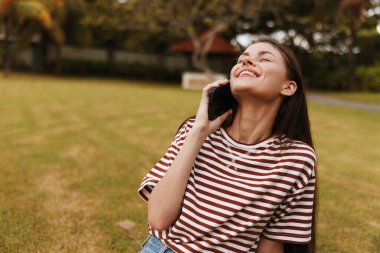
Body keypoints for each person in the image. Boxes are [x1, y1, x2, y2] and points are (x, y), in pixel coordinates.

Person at [137, 37, 317, 253]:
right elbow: (158, 219)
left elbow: (274, 239)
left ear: (288, 87)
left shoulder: (297, 159)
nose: (246, 63)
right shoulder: (194, 131)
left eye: (264, 59)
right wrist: (198, 134)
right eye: (242, 59)